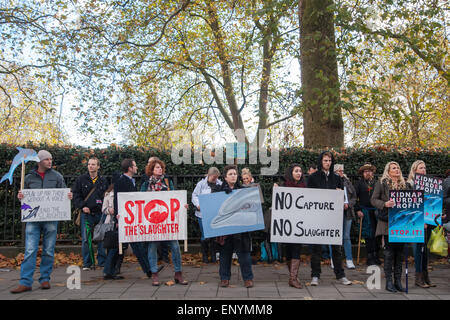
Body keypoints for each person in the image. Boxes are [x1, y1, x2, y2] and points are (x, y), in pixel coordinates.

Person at [11, 150, 73, 294]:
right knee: (30, 250)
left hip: (51, 218)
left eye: (51, 159)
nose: (50, 162)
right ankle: (25, 282)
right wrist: (20, 196)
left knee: (48, 250)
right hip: (33, 219)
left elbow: (63, 194)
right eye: (46, 159)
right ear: (39, 161)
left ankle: (45, 279)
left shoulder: (58, 176)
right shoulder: (28, 177)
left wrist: (68, 195)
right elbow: (24, 198)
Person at [307, 151, 351, 286]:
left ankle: (340, 275)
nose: (328, 163)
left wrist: (341, 198)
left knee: (337, 247)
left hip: (333, 218)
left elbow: (343, 197)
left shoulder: (337, 178)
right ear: (321, 161)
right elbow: (309, 196)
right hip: (317, 217)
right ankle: (315, 275)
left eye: (330, 161)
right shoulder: (313, 177)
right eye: (325, 160)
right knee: (316, 248)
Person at [142, 159, 188, 286]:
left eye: (161, 167)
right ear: (151, 169)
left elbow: (174, 197)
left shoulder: (168, 182)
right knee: (152, 247)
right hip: (152, 222)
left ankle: (178, 273)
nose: (160, 169)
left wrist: (182, 205)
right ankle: (154, 274)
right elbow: (139, 201)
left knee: (175, 246)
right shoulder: (146, 184)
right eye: (157, 167)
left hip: (167, 221)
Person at [214, 165, 254, 288]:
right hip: (225, 229)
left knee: (244, 255)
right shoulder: (218, 191)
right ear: (225, 177)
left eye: (235, 174)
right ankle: (224, 278)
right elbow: (213, 209)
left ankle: (248, 278)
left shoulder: (243, 190)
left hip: (240, 228)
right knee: (225, 255)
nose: (233, 176)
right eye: (230, 174)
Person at [371, 161, 407, 293]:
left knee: (400, 253)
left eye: (398, 167)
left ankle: (398, 281)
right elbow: (373, 200)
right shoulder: (381, 183)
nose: (397, 170)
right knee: (389, 253)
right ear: (388, 170)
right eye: (394, 168)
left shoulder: (406, 185)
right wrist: (385, 204)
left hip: (401, 224)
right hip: (387, 222)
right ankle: (389, 282)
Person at [73, 157, 108, 270]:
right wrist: (83, 206)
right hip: (86, 214)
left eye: (93, 164)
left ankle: (102, 261)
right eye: (89, 164)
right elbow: (76, 195)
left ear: (98, 166)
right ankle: (87, 263)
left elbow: (106, 195)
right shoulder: (81, 179)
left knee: (101, 238)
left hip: (100, 213)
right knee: (85, 239)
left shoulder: (103, 180)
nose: (90, 166)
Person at [406, 160, 435, 288]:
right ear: (414, 170)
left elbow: (432, 203)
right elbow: (410, 205)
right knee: (418, 249)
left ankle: (425, 276)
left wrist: (435, 216)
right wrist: (420, 220)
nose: (423, 170)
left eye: (424, 167)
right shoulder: (410, 184)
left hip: (428, 222)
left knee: (425, 250)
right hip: (417, 221)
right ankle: (418, 278)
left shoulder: (429, 185)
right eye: (420, 168)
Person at [280, 164, 306, 288]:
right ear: (291, 173)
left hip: (299, 223)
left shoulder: (304, 187)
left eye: (300, 171)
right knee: (289, 250)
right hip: (287, 223)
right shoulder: (284, 186)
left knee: (296, 248)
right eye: (296, 171)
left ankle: (293, 278)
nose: (299, 173)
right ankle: (292, 276)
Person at [191, 167, 222, 263]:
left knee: (213, 235)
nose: (215, 179)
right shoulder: (201, 184)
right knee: (205, 235)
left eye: (217, 177)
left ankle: (213, 256)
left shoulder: (219, 183)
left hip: (214, 213)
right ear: (209, 175)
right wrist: (198, 205)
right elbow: (194, 195)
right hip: (202, 214)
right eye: (214, 177)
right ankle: (205, 256)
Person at [354, 163, 381, 266]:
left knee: (377, 234)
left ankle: (376, 255)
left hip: (377, 211)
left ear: (372, 173)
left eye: (369, 171)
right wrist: (358, 210)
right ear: (362, 173)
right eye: (365, 171)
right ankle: (370, 257)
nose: (368, 173)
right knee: (368, 235)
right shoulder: (359, 184)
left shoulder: (377, 183)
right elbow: (354, 197)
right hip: (365, 212)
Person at [334, 164, 357, 269]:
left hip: (347, 212)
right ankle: (334, 259)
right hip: (335, 212)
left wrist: (349, 204)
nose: (340, 172)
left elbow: (354, 197)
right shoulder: (331, 182)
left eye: (342, 170)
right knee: (334, 237)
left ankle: (349, 259)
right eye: (338, 171)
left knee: (346, 236)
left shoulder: (348, 182)